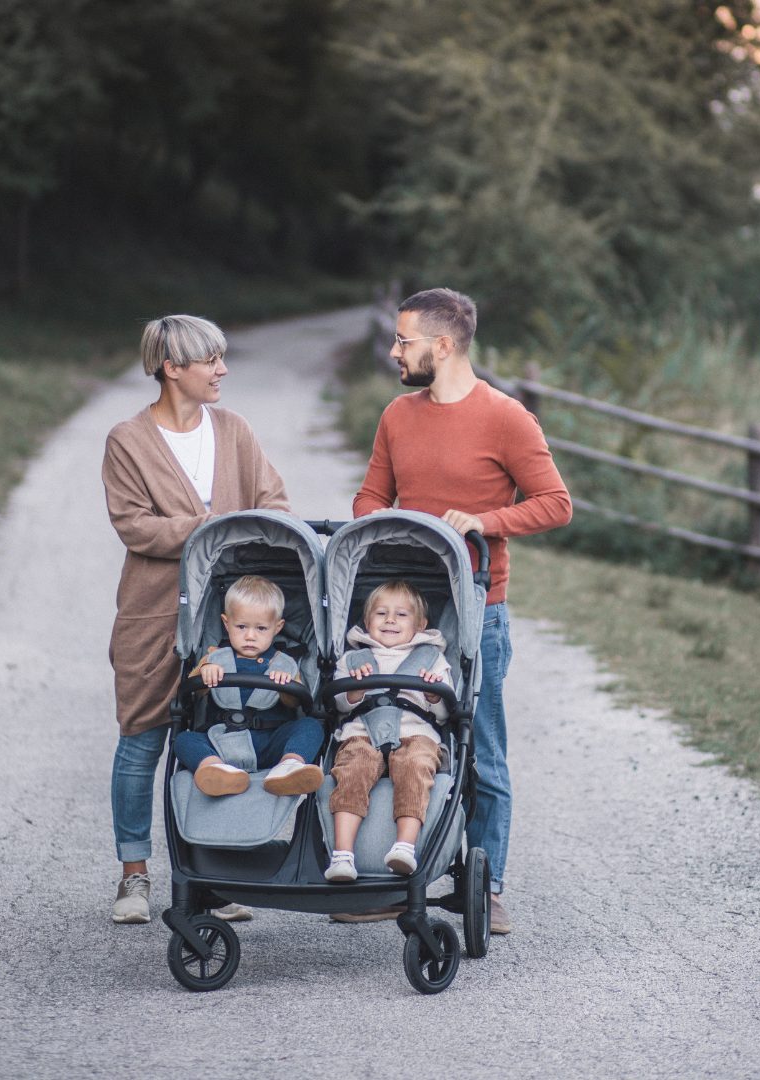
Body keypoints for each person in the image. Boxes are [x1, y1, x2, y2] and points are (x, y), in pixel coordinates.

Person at [346, 287, 572, 933]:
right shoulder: (397, 414)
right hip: (404, 613)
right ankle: (394, 874)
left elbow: (556, 502)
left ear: (442, 346)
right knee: (389, 735)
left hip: (478, 612)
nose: (393, 351)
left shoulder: (507, 418)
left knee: (481, 749)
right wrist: (384, 526)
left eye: (403, 341)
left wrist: (484, 520)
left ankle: (487, 884)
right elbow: (370, 496)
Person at [103, 314, 290, 925]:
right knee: (143, 740)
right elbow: (134, 525)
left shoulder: (234, 430)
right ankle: (134, 876)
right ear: (171, 368)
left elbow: (275, 506)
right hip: (154, 614)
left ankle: (215, 873)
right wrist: (214, 528)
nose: (223, 370)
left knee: (223, 735)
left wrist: (243, 534)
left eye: (222, 358)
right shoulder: (127, 441)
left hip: (232, 617)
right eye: (210, 360)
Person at [324, 580, 452, 882]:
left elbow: (446, 713)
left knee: (415, 767)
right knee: (352, 769)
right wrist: (355, 691)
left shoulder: (433, 659)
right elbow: (340, 705)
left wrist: (434, 695)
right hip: (362, 732)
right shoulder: (352, 659)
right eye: (381, 613)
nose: (390, 620)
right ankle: (342, 854)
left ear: (420, 625)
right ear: (367, 622)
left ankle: (404, 846)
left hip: (415, 733)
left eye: (401, 615)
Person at [173, 575, 324, 797]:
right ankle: (214, 769)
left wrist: (286, 686)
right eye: (241, 626)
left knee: (311, 726)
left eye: (261, 628)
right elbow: (197, 690)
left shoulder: (283, 663)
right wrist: (204, 671)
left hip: (270, 742)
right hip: (221, 740)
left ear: (277, 627)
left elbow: (297, 702)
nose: (250, 636)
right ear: (226, 624)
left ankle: (289, 765)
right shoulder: (216, 657)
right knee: (184, 740)